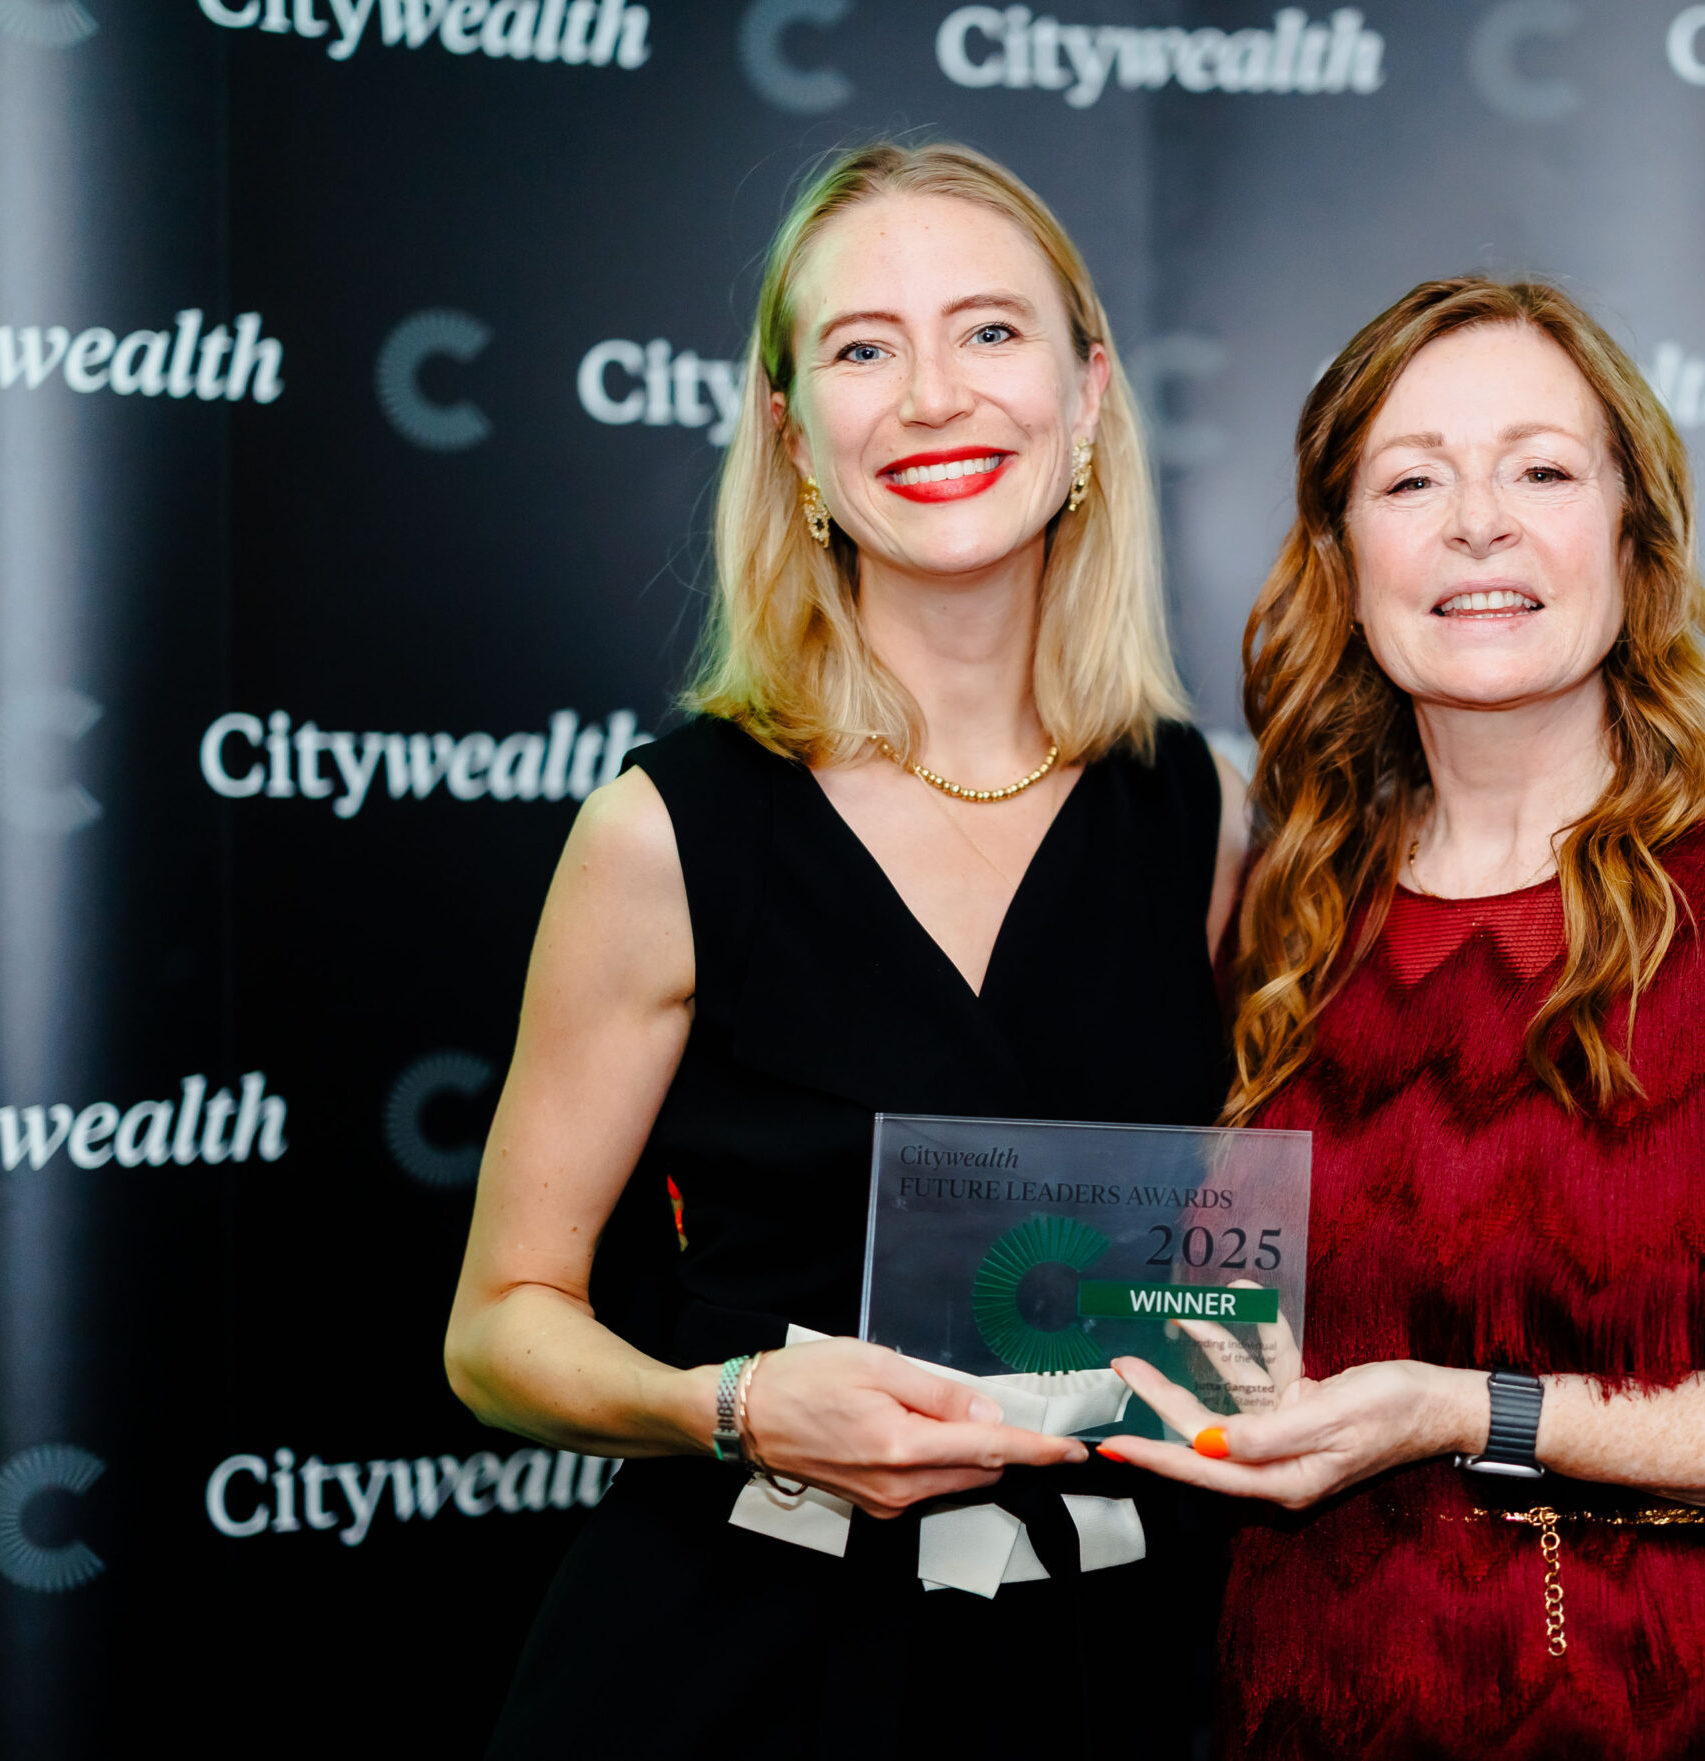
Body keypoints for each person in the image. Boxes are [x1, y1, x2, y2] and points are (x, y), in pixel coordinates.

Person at [1101, 276, 1705, 1759]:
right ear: (1342, 556)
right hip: (1322, 1711)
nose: (1478, 524)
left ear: (1633, 542)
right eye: (1413, 481)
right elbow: (1209, 1328)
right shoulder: (1287, 912)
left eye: (1541, 471)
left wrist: (1474, 1410)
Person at [444, 141, 1247, 1759]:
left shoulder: (1209, 813)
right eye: (865, 348)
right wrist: (731, 1405)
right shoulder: (663, 832)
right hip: (747, 1669)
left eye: (990, 332)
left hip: (1115, 1663)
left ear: (1089, 395)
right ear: (793, 433)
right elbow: (498, 1327)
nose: (935, 395)